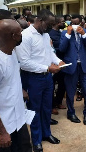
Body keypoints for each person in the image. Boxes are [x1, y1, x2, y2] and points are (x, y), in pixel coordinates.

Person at [16, 9, 64, 152]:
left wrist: (59, 61)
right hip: (32, 78)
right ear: (40, 21)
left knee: (46, 107)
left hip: (47, 78)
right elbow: (24, 62)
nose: (50, 27)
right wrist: (47, 68)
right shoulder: (26, 36)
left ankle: (46, 134)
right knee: (34, 109)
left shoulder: (45, 34)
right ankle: (36, 140)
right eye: (48, 24)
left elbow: (49, 53)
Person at [0, 19, 32, 152]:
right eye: (20, 32)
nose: (22, 35)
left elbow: (8, 79)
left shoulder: (11, 53)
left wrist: (19, 90)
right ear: (14, 36)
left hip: (18, 120)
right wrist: (1, 132)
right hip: (2, 126)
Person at [59, 14, 86, 125]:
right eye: (72, 23)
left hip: (84, 66)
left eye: (76, 23)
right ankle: (71, 113)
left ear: (81, 23)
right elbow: (61, 48)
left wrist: (83, 35)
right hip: (71, 66)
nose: (74, 25)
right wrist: (68, 34)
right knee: (70, 91)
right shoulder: (65, 33)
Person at [49, 16, 67, 116]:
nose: (64, 23)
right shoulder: (50, 34)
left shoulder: (61, 33)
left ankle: (59, 102)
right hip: (52, 64)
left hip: (61, 63)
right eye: (62, 22)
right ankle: (52, 106)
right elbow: (57, 48)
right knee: (51, 86)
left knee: (62, 84)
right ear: (56, 23)